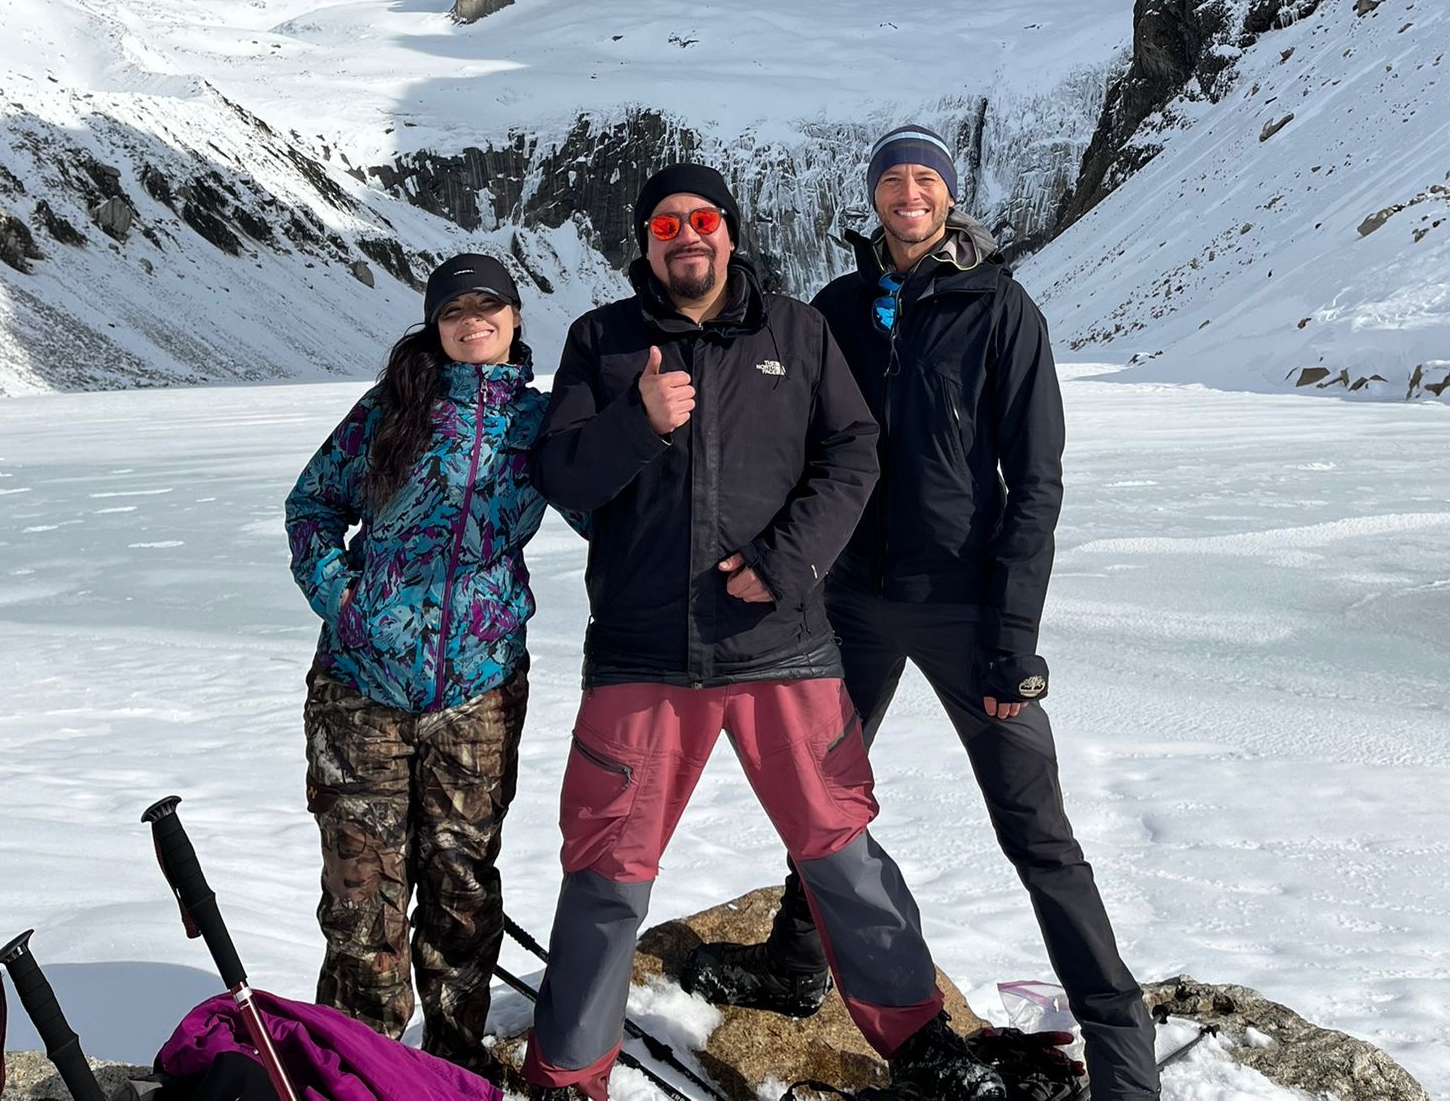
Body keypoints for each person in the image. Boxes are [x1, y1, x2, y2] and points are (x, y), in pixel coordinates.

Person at [685, 128, 1161, 1101]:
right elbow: (792, 440)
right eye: (894, 178)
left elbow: (1034, 481)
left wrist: (1011, 637)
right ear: (875, 197)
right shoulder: (840, 309)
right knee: (817, 787)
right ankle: (795, 962)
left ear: (948, 197)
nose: (910, 191)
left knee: (1035, 830)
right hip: (851, 598)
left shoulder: (1001, 309)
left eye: (926, 178)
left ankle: (1121, 1047)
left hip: (965, 604)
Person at [519, 163, 1010, 1101]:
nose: (686, 235)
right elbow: (564, 477)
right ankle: (568, 1073)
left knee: (840, 848)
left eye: (702, 218)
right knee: (606, 871)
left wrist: (788, 562)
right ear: (645, 243)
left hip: (781, 643)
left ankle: (918, 1039)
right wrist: (639, 420)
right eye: (665, 224)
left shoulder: (796, 330)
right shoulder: (602, 340)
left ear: (730, 231)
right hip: (640, 651)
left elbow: (854, 450)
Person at [285, 252, 554, 1078]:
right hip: (362, 686)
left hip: (478, 691)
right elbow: (312, 507)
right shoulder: (392, 409)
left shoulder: (540, 424)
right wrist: (344, 599)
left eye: (489, 307)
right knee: (363, 900)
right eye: (454, 311)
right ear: (435, 328)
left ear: (514, 320)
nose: (472, 321)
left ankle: (455, 1072)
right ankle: (357, 1073)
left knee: (462, 889)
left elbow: (612, 498)